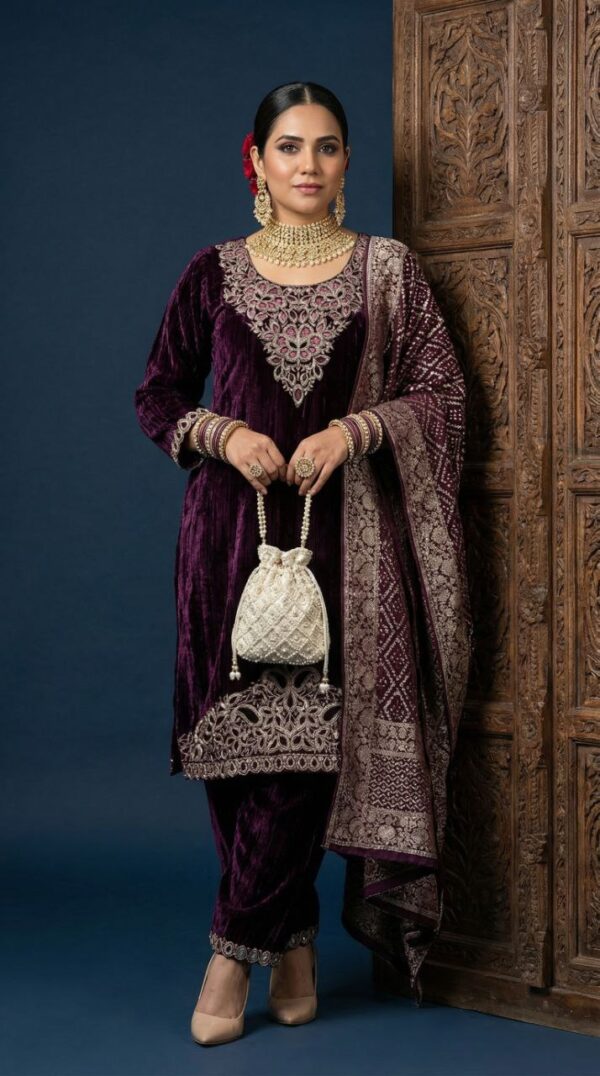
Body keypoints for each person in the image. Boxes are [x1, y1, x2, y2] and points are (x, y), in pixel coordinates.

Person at [133, 80, 473, 1046]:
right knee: (237, 758)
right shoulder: (212, 273)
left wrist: (355, 431)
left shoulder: (387, 271)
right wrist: (223, 433)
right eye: (290, 147)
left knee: (306, 757)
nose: (309, 165)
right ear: (257, 161)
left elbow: (442, 395)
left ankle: (229, 956)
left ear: (347, 161)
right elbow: (158, 394)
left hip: (344, 550)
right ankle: (294, 944)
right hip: (227, 546)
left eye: (327, 147)